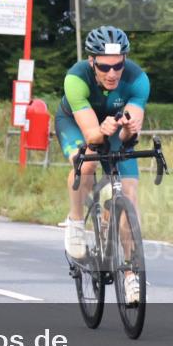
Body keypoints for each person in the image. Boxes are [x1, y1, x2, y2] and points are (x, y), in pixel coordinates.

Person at [55, 25, 149, 305]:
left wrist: (130, 128)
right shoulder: (75, 79)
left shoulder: (138, 80)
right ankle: (75, 222)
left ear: (125, 61)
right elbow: (93, 137)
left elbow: (127, 136)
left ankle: (131, 274)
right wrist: (103, 130)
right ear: (91, 61)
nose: (112, 73)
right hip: (77, 125)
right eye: (105, 67)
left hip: (113, 128)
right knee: (86, 165)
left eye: (118, 66)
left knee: (128, 194)